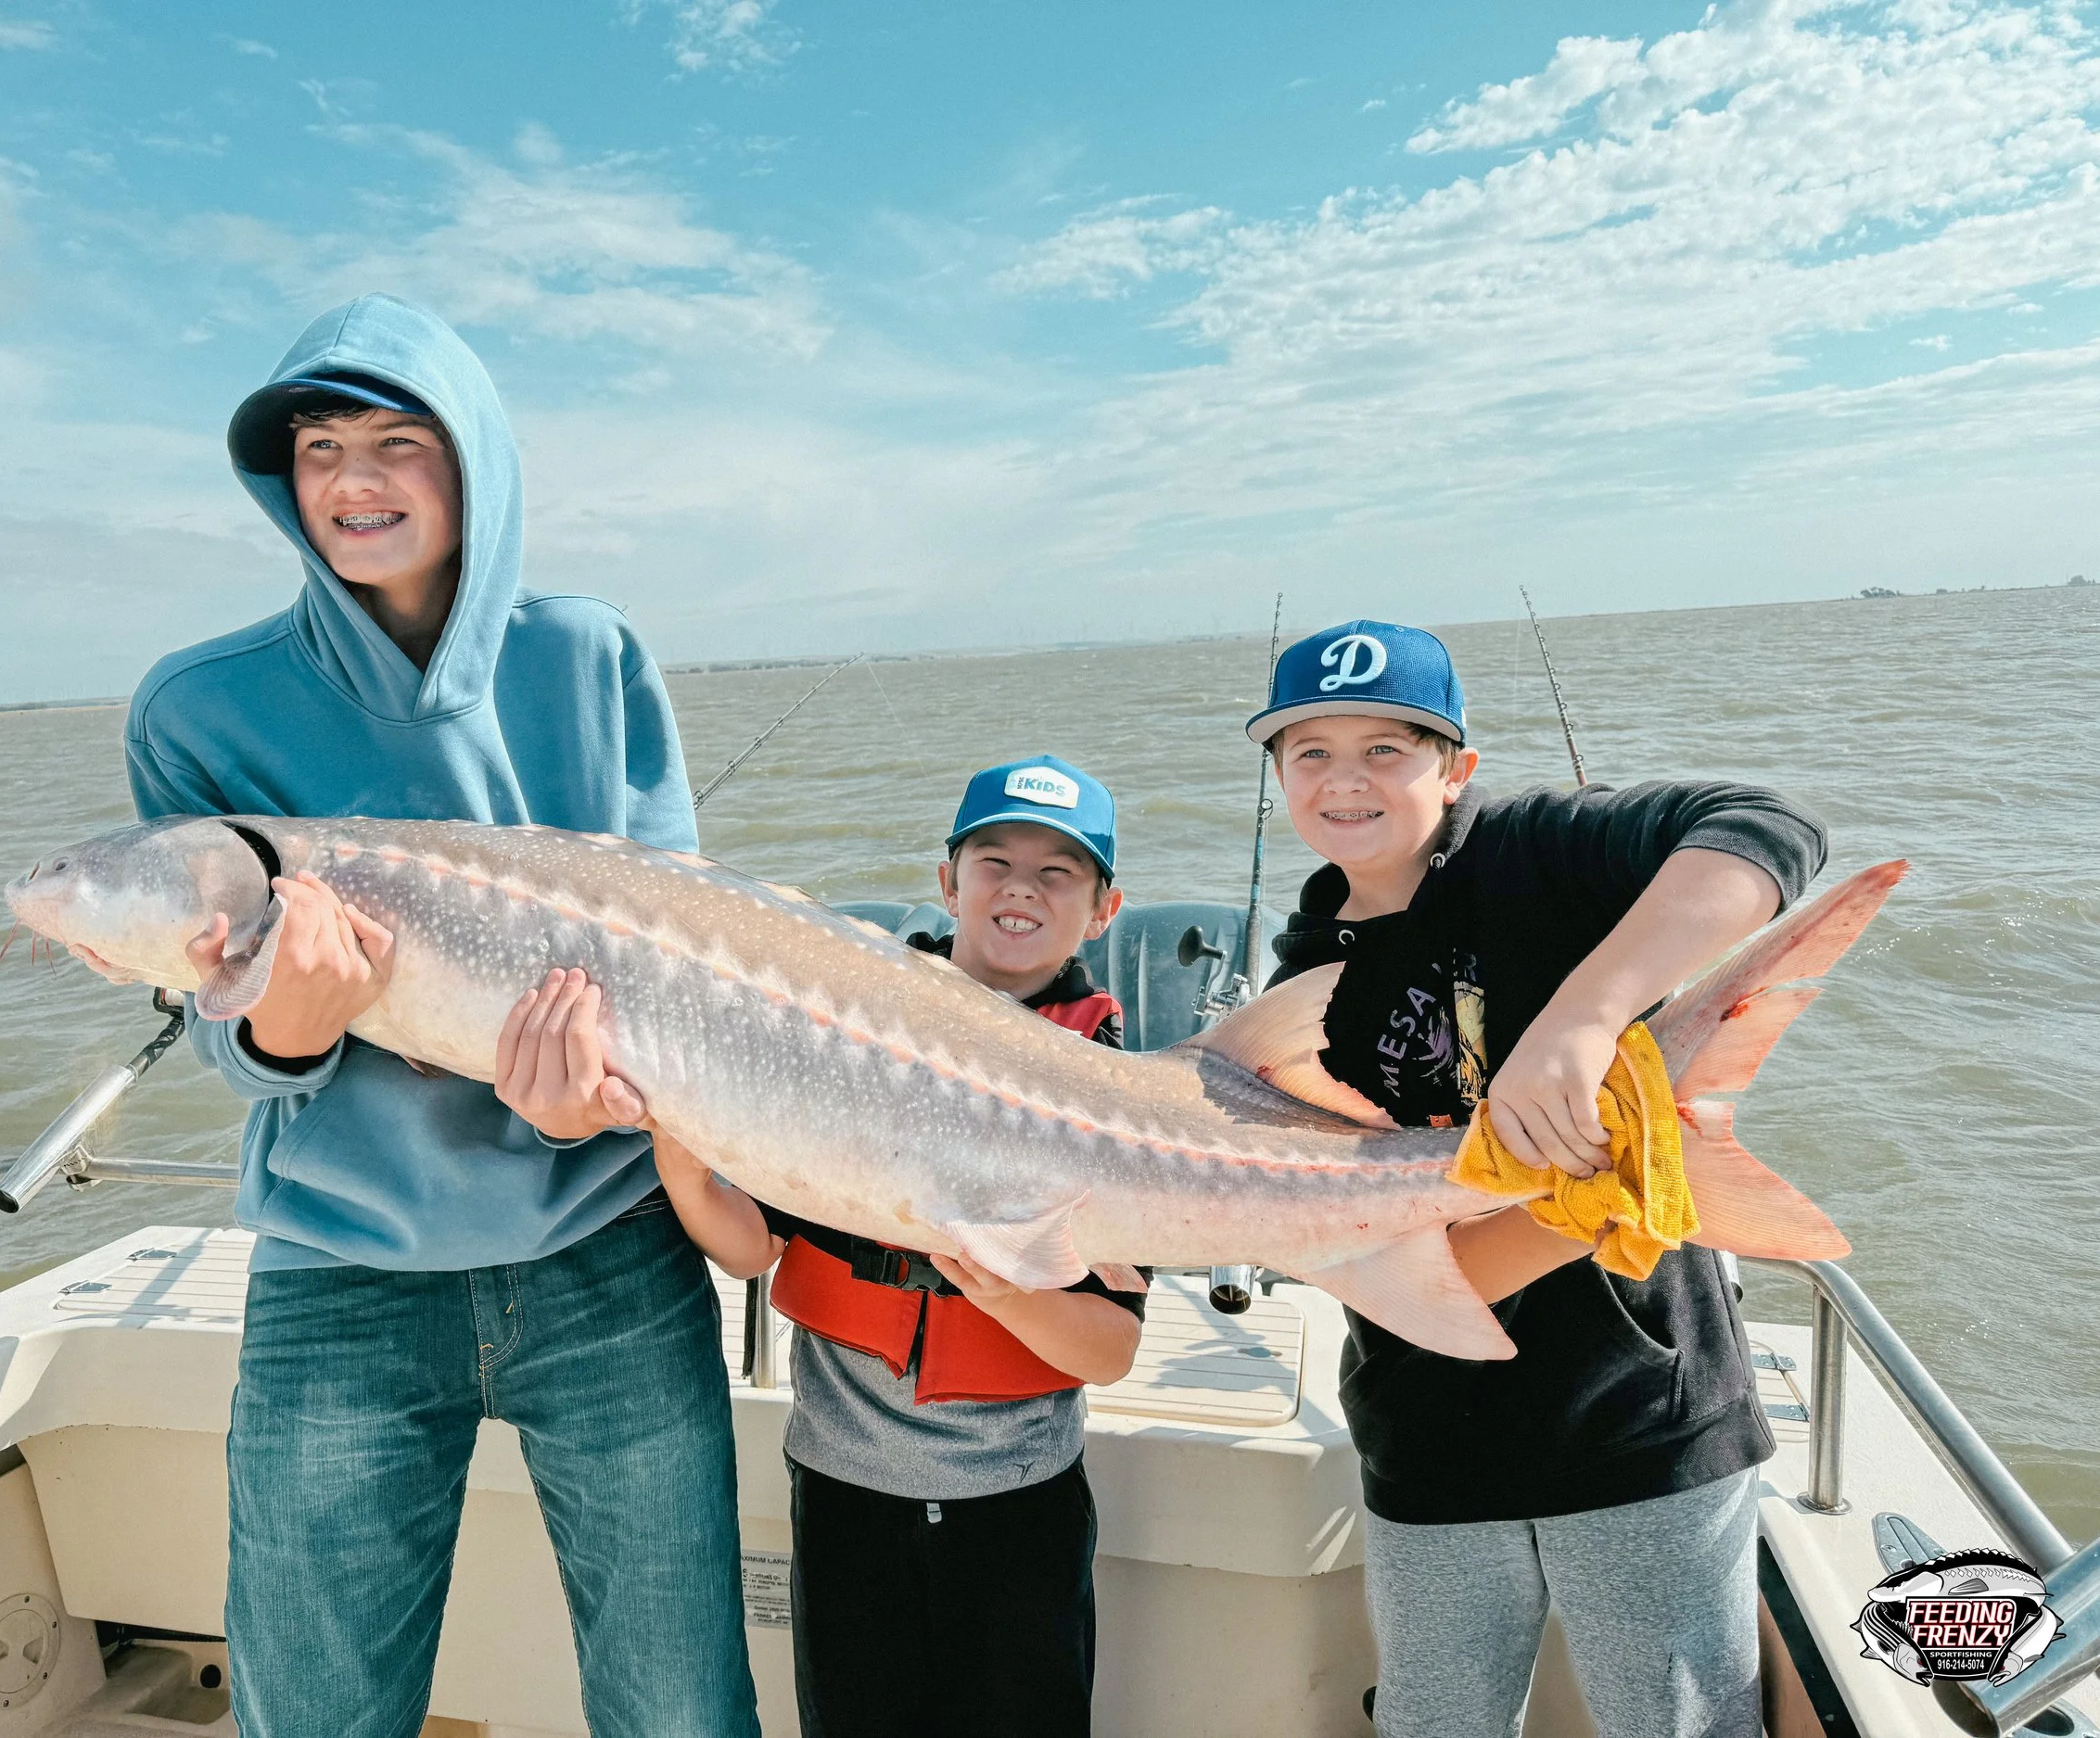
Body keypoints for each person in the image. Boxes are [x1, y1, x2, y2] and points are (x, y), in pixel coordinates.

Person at [113, 293, 758, 1738]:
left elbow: (691, 964)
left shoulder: (588, 657)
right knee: (316, 1710)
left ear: (476, 459)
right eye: (321, 445)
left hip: (606, 1247)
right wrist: (289, 1024)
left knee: (679, 1702)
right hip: (340, 1271)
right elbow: (228, 1027)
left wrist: (598, 1097)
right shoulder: (199, 708)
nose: (353, 480)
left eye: (399, 440)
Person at [1247, 619, 1826, 1738]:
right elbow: (1352, 1244)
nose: (1344, 779)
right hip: (1423, 1433)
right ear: (1277, 778)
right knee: (1432, 1722)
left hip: (1637, 1418)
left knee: (1679, 1724)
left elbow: (1768, 826)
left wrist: (1587, 1012)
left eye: (1387, 748)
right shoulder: (1300, 983)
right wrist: (1576, 1202)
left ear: (1456, 768)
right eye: (1308, 751)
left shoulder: (1535, 850)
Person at [621, 755, 1142, 1738]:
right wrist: (685, 1164)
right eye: (994, 861)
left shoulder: (1107, 1091)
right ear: (948, 884)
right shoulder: (845, 1037)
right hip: (843, 1494)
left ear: (1104, 909)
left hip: (1019, 1504)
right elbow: (746, 1251)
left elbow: (1109, 1351)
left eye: (1058, 871)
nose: (1021, 887)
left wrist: (1002, 1291)